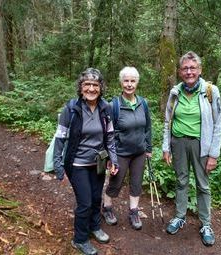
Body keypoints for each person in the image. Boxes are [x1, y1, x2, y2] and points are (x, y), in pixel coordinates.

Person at [53, 68, 118, 255]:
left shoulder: (105, 108)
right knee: (85, 202)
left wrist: (113, 159)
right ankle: (79, 239)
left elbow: (110, 137)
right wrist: (58, 166)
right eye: (87, 85)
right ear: (81, 88)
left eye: (95, 85)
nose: (91, 88)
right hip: (77, 163)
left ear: (101, 88)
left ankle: (95, 227)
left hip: (99, 160)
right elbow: (60, 137)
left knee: (97, 198)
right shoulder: (71, 108)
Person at [162, 51, 221, 246]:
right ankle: (180, 216)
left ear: (200, 70)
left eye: (193, 68)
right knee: (181, 181)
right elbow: (167, 121)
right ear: (180, 72)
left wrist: (213, 154)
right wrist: (166, 147)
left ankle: (205, 223)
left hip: (201, 144)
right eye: (185, 68)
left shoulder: (211, 91)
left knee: (202, 184)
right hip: (178, 142)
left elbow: (218, 124)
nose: (189, 72)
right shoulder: (175, 92)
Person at [102, 66, 152, 230]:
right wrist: (110, 157)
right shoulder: (113, 105)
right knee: (116, 182)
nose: (129, 84)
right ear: (121, 82)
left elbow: (148, 128)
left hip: (139, 152)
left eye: (132, 81)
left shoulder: (143, 103)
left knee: (136, 183)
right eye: (126, 81)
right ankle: (107, 207)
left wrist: (148, 148)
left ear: (137, 83)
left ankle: (133, 211)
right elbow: (107, 133)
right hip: (120, 153)